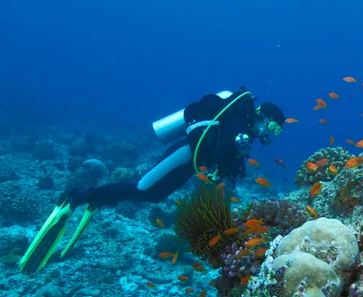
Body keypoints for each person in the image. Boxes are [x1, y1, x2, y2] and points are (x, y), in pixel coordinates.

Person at [19, 86, 286, 274]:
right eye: (272, 127)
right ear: (262, 116)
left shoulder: (243, 132)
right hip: (184, 154)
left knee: (154, 195)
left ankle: (97, 200)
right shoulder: (238, 123)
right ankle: (75, 198)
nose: (268, 134)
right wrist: (229, 161)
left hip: (192, 164)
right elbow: (217, 148)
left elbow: (227, 163)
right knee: (142, 187)